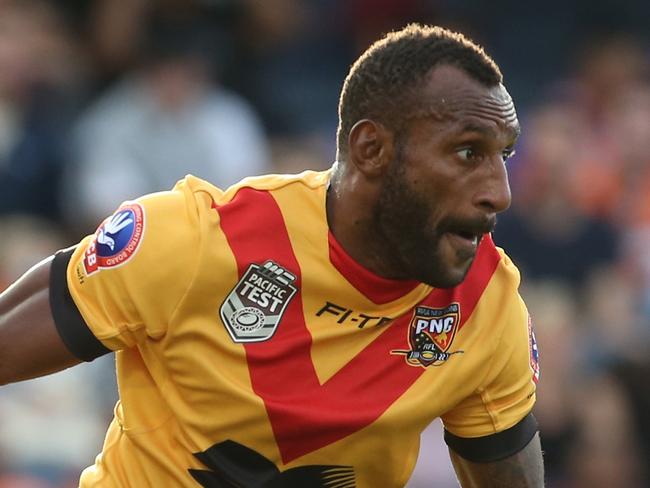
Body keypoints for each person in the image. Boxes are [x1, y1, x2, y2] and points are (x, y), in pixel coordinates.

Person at [0, 24, 543, 487]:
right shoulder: (194, 240)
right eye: (468, 152)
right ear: (371, 149)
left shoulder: (486, 308)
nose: (500, 191)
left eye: (504, 155)